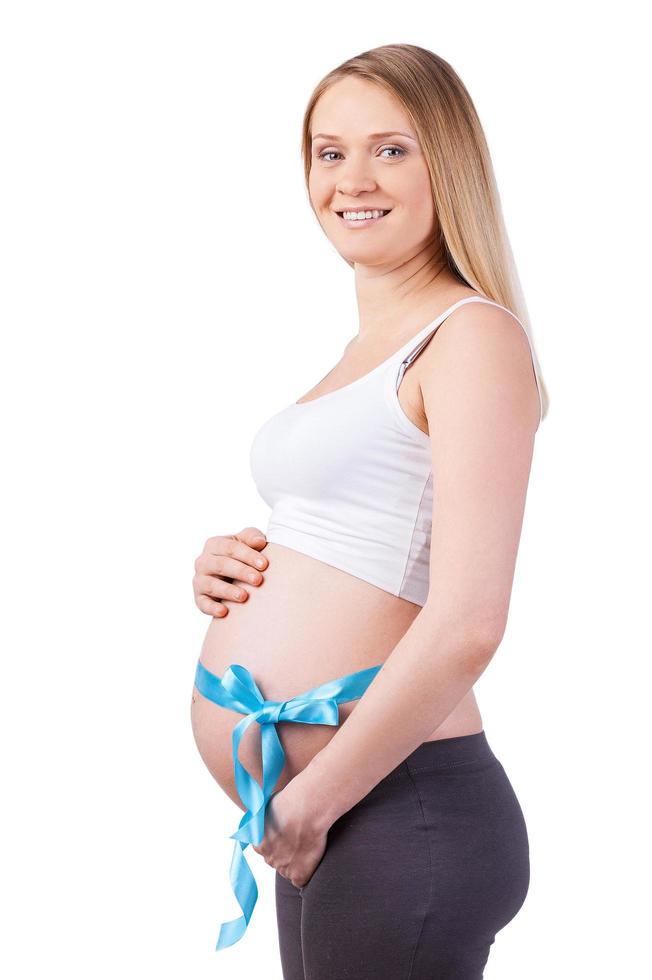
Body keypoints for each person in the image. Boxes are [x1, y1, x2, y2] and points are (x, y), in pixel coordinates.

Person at [190, 42, 549, 979]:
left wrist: (315, 802)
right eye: (328, 150)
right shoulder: (368, 345)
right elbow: (363, 535)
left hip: (395, 805)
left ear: (448, 162)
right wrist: (235, 568)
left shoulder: (469, 337)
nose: (353, 178)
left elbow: (469, 621)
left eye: (391, 149)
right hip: (341, 811)